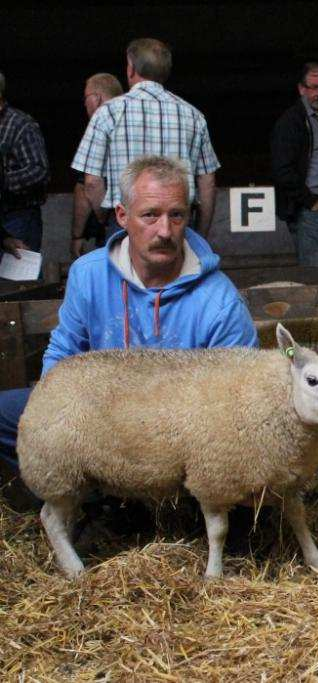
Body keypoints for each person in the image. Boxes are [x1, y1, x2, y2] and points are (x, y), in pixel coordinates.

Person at [0, 155, 257, 505]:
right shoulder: (88, 274)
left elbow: (239, 403)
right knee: (11, 413)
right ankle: (85, 497)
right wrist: (56, 418)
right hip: (100, 418)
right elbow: (63, 350)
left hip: (179, 437)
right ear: (122, 216)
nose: (165, 231)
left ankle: (152, 507)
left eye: (176, 215)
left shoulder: (221, 302)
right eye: (150, 214)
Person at [71, 38, 220, 239]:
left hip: (124, 222)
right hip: (177, 225)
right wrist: (199, 235)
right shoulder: (193, 116)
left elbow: (91, 183)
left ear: (131, 69)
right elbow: (208, 182)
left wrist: (106, 219)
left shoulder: (107, 114)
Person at [271, 62, 318, 266]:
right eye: (314, 87)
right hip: (310, 210)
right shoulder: (292, 122)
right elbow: (282, 171)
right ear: (301, 89)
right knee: (316, 276)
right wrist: (310, 202)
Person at [71, 73, 124, 258]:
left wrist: (103, 217)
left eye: (86, 98)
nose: (85, 104)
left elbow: (88, 184)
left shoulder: (100, 123)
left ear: (97, 98)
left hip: (115, 224)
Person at [0, 70, 50, 252]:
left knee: (21, 278)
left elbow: (39, 170)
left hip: (18, 216)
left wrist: (4, 181)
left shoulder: (21, 125)